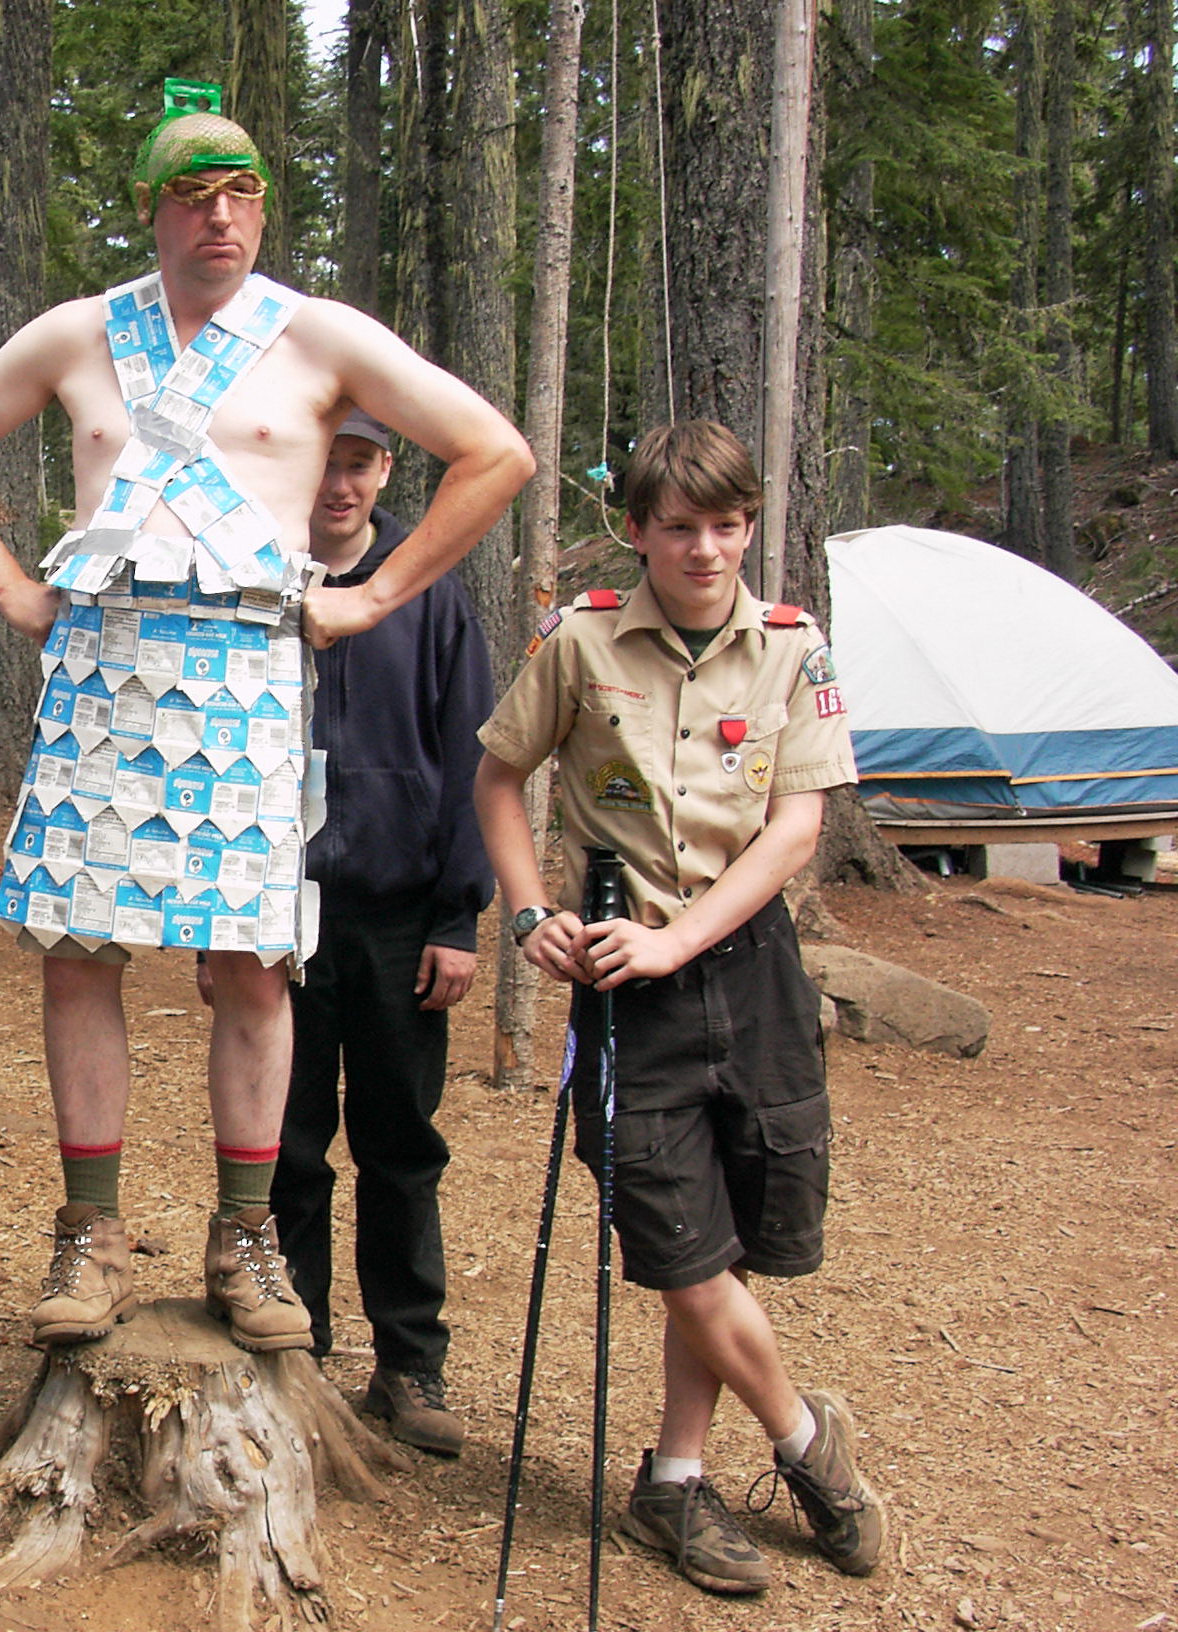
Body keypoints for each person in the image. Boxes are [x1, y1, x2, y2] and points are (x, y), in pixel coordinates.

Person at [0, 85, 531, 1353]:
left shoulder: (317, 336)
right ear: (152, 210)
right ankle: (90, 1233)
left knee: (252, 961)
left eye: (242, 194)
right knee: (80, 951)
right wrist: (14, 591)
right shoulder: (84, 335)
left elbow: (495, 453)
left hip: (249, 678)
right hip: (101, 669)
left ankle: (246, 1237)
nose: (221, 218)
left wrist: (372, 596)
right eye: (193, 197)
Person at [473, 421, 887, 1596]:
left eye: (727, 525)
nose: (706, 549)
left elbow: (796, 829)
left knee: (727, 1243)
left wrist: (680, 943)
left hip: (750, 973)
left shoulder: (793, 650)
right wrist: (527, 914)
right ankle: (806, 1441)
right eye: (679, 527)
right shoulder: (582, 639)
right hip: (623, 985)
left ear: (750, 526)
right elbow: (499, 777)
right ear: (638, 530)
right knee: (681, 1252)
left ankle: (675, 1478)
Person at [268, 408, 492, 1453]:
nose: (339, 484)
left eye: (358, 464)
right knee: (288, 1144)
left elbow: (473, 755)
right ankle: (293, 1352)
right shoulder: (261, 580)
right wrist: (226, 924)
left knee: (400, 1146)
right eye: (324, 462)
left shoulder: (429, 588)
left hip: (403, 918)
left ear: (385, 468)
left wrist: (458, 917)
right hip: (282, 920)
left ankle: (410, 1362)